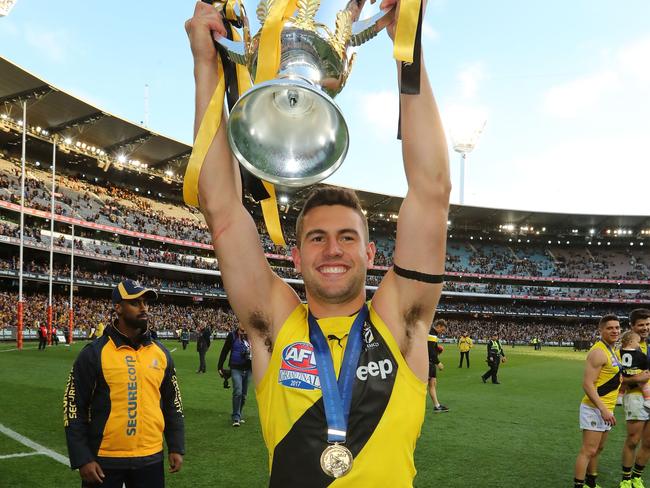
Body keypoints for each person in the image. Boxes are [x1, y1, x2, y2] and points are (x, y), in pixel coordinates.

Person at [185, 0, 450, 482]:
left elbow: (432, 194)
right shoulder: (274, 323)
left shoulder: (402, 319)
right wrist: (207, 65)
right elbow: (222, 211)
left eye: (348, 238)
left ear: (371, 254)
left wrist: (407, 50)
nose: (332, 249)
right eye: (318, 238)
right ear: (296, 255)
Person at [63, 279, 184, 488]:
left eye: (145, 302)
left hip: (151, 457)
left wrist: (175, 445)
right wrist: (82, 457)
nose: (144, 307)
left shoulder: (161, 353)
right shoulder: (93, 354)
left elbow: (173, 402)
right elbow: (73, 406)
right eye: (135, 302)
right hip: (105, 460)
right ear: (117, 307)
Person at [574, 314, 622, 488]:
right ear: (600, 330)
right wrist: (603, 409)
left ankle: (591, 483)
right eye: (610, 328)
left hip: (606, 408)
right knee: (588, 450)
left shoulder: (613, 350)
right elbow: (587, 384)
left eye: (617, 327)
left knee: (598, 450)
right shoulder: (598, 352)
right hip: (595, 408)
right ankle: (579, 485)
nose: (615, 330)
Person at [620, 308, 650, 488]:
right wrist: (637, 378)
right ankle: (625, 479)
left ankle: (637, 477)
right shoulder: (626, 347)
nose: (645, 328)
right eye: (641, 325)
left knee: (649, 442)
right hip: (635, 396)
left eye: (648, 324)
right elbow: (618, 376)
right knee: (633, 440)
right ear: (632, 326)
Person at [218, 325, 253, 426]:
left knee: (244, 395)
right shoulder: (232, 335)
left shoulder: (252, 335)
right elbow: (225, 351)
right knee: (238, 391)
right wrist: (219, 366)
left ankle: (239, 413)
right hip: (236, 368)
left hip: (249, 369)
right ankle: (236, 417)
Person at [620, 331, 650, 410]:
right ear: (631, 342)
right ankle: (648, 399)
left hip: (625, 373)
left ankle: (619, 397)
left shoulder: (619, 352)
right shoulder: (638, 353)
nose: (638, 344)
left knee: (623, 385)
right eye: (637, 342)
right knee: (644, 385)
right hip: (636, 374)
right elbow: (645, 364)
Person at [427, 320, 449, 413]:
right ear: (438, 326)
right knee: (428, 384)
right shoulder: (432, 334)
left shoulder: (433, 334)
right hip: (429, 363)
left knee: (432, 383)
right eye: (442, 330)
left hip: (430, 363)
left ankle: (437, 406)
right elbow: (430, 351)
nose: (442, 332)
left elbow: (431, 348)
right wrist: (438, 363)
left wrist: (437, 349)